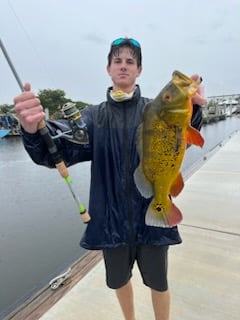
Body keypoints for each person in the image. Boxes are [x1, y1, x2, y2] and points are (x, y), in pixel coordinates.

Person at [14, 37, 203, 320]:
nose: (123, 66)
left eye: (130, 62)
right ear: (108, 69)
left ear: (139, 69)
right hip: (110, 223)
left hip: (151, 217)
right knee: (119, 281)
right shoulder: (92, 118)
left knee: (159, 282)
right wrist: (31, 131)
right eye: (118, 61)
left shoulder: (156, 110)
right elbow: (55, 151)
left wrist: (195, 111)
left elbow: (182, 143)